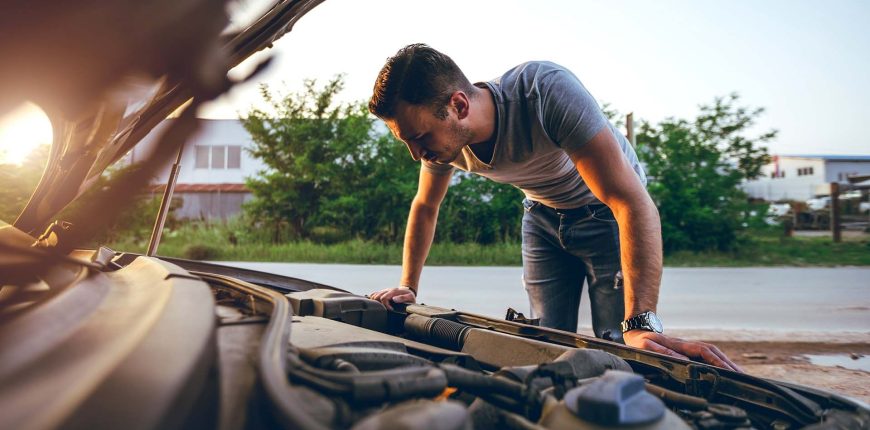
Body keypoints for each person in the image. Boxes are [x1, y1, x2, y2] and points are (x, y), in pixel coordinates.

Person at [367, 43, 741, 372]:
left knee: (621, 345)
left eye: (418, 138)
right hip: (541, 218)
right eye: (407, 141)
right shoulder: (440, 142)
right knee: (547, 345)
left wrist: (641, 322)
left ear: (459, 105)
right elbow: (425, 206)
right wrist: (407, 287)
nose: (416, 153)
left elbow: (631, 201)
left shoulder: (544, 91)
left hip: (606, 214)